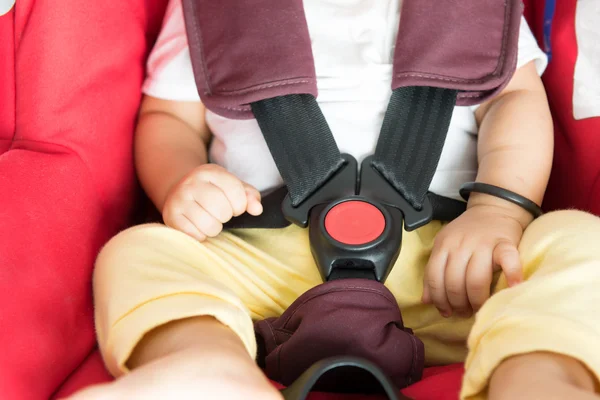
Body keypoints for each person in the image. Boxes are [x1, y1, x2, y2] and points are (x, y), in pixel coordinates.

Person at [68, 0, 600, 399]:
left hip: (452, 268)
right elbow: (168, 119)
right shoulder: (211, 15)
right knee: (139, 251)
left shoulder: (477, 13)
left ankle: (539, 372)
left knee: (578, 241)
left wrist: (498, 209)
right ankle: (204, 362)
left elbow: (514, 100)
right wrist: (183, 180)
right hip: (261, 267)